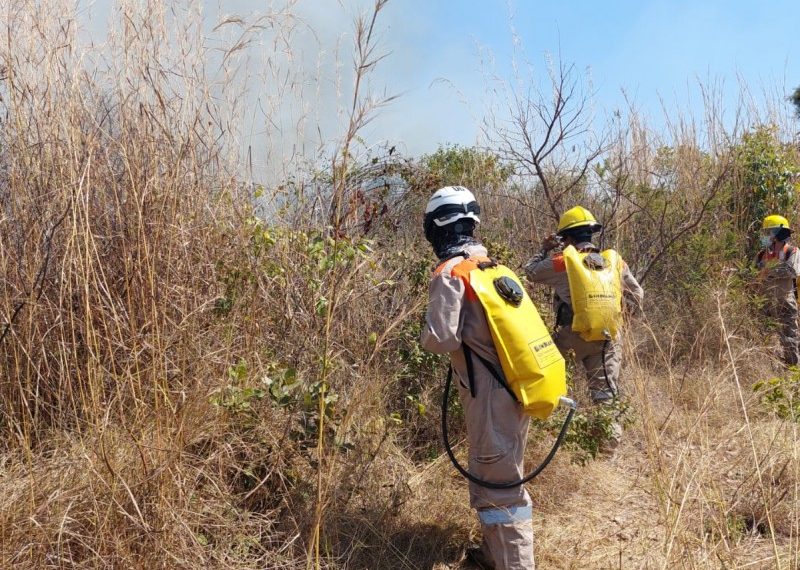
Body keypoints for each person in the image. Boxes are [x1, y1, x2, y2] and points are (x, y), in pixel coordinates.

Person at [421, 186, 535, 569]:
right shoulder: (496, 268)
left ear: (437, 226)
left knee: (503, 492)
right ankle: (495, 555)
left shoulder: (452, 272)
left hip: (489, 400)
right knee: (498, 480)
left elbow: (440, 339)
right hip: (515, 391)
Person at [523, 206, 643, 447]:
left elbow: (530, 273)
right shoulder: (615, 261)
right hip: (607, 338)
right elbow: (638, 295)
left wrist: (544, 249)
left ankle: (549, 437)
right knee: (605, 394)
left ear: (565, 238)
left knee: (552, 384)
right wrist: (620, 317)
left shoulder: (562, 261)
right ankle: (608, 449)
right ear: (592, 234)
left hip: (569, 336)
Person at [755, 214, 800, 366]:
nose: (765, 236)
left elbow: (792, 271)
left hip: (785, 302)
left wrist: (767, 270)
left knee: (790, 340)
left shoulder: (792, 251)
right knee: (763, 339)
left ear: (776, 234)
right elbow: (754, 274)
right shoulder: (761, 254)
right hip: (764, 303)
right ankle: (769, 370)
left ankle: (793, 373)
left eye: (767, 233)